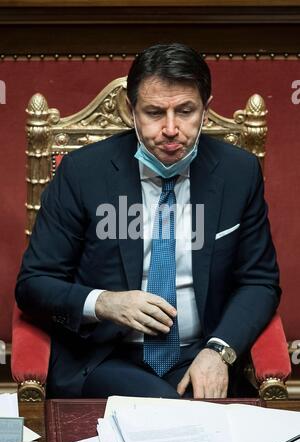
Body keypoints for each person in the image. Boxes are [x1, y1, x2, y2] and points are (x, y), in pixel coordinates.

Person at [15, 43, 280, 400]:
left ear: (206, 108)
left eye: (186, 111)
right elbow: (34, 285)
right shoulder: (82, 173)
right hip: (106, 358)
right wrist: (104, 302)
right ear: (130, 110)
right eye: (155, 112)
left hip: (198, 355)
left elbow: (259, 282)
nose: (171, 129)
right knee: (171, 414)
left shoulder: (238, 173)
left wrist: (219, 350)